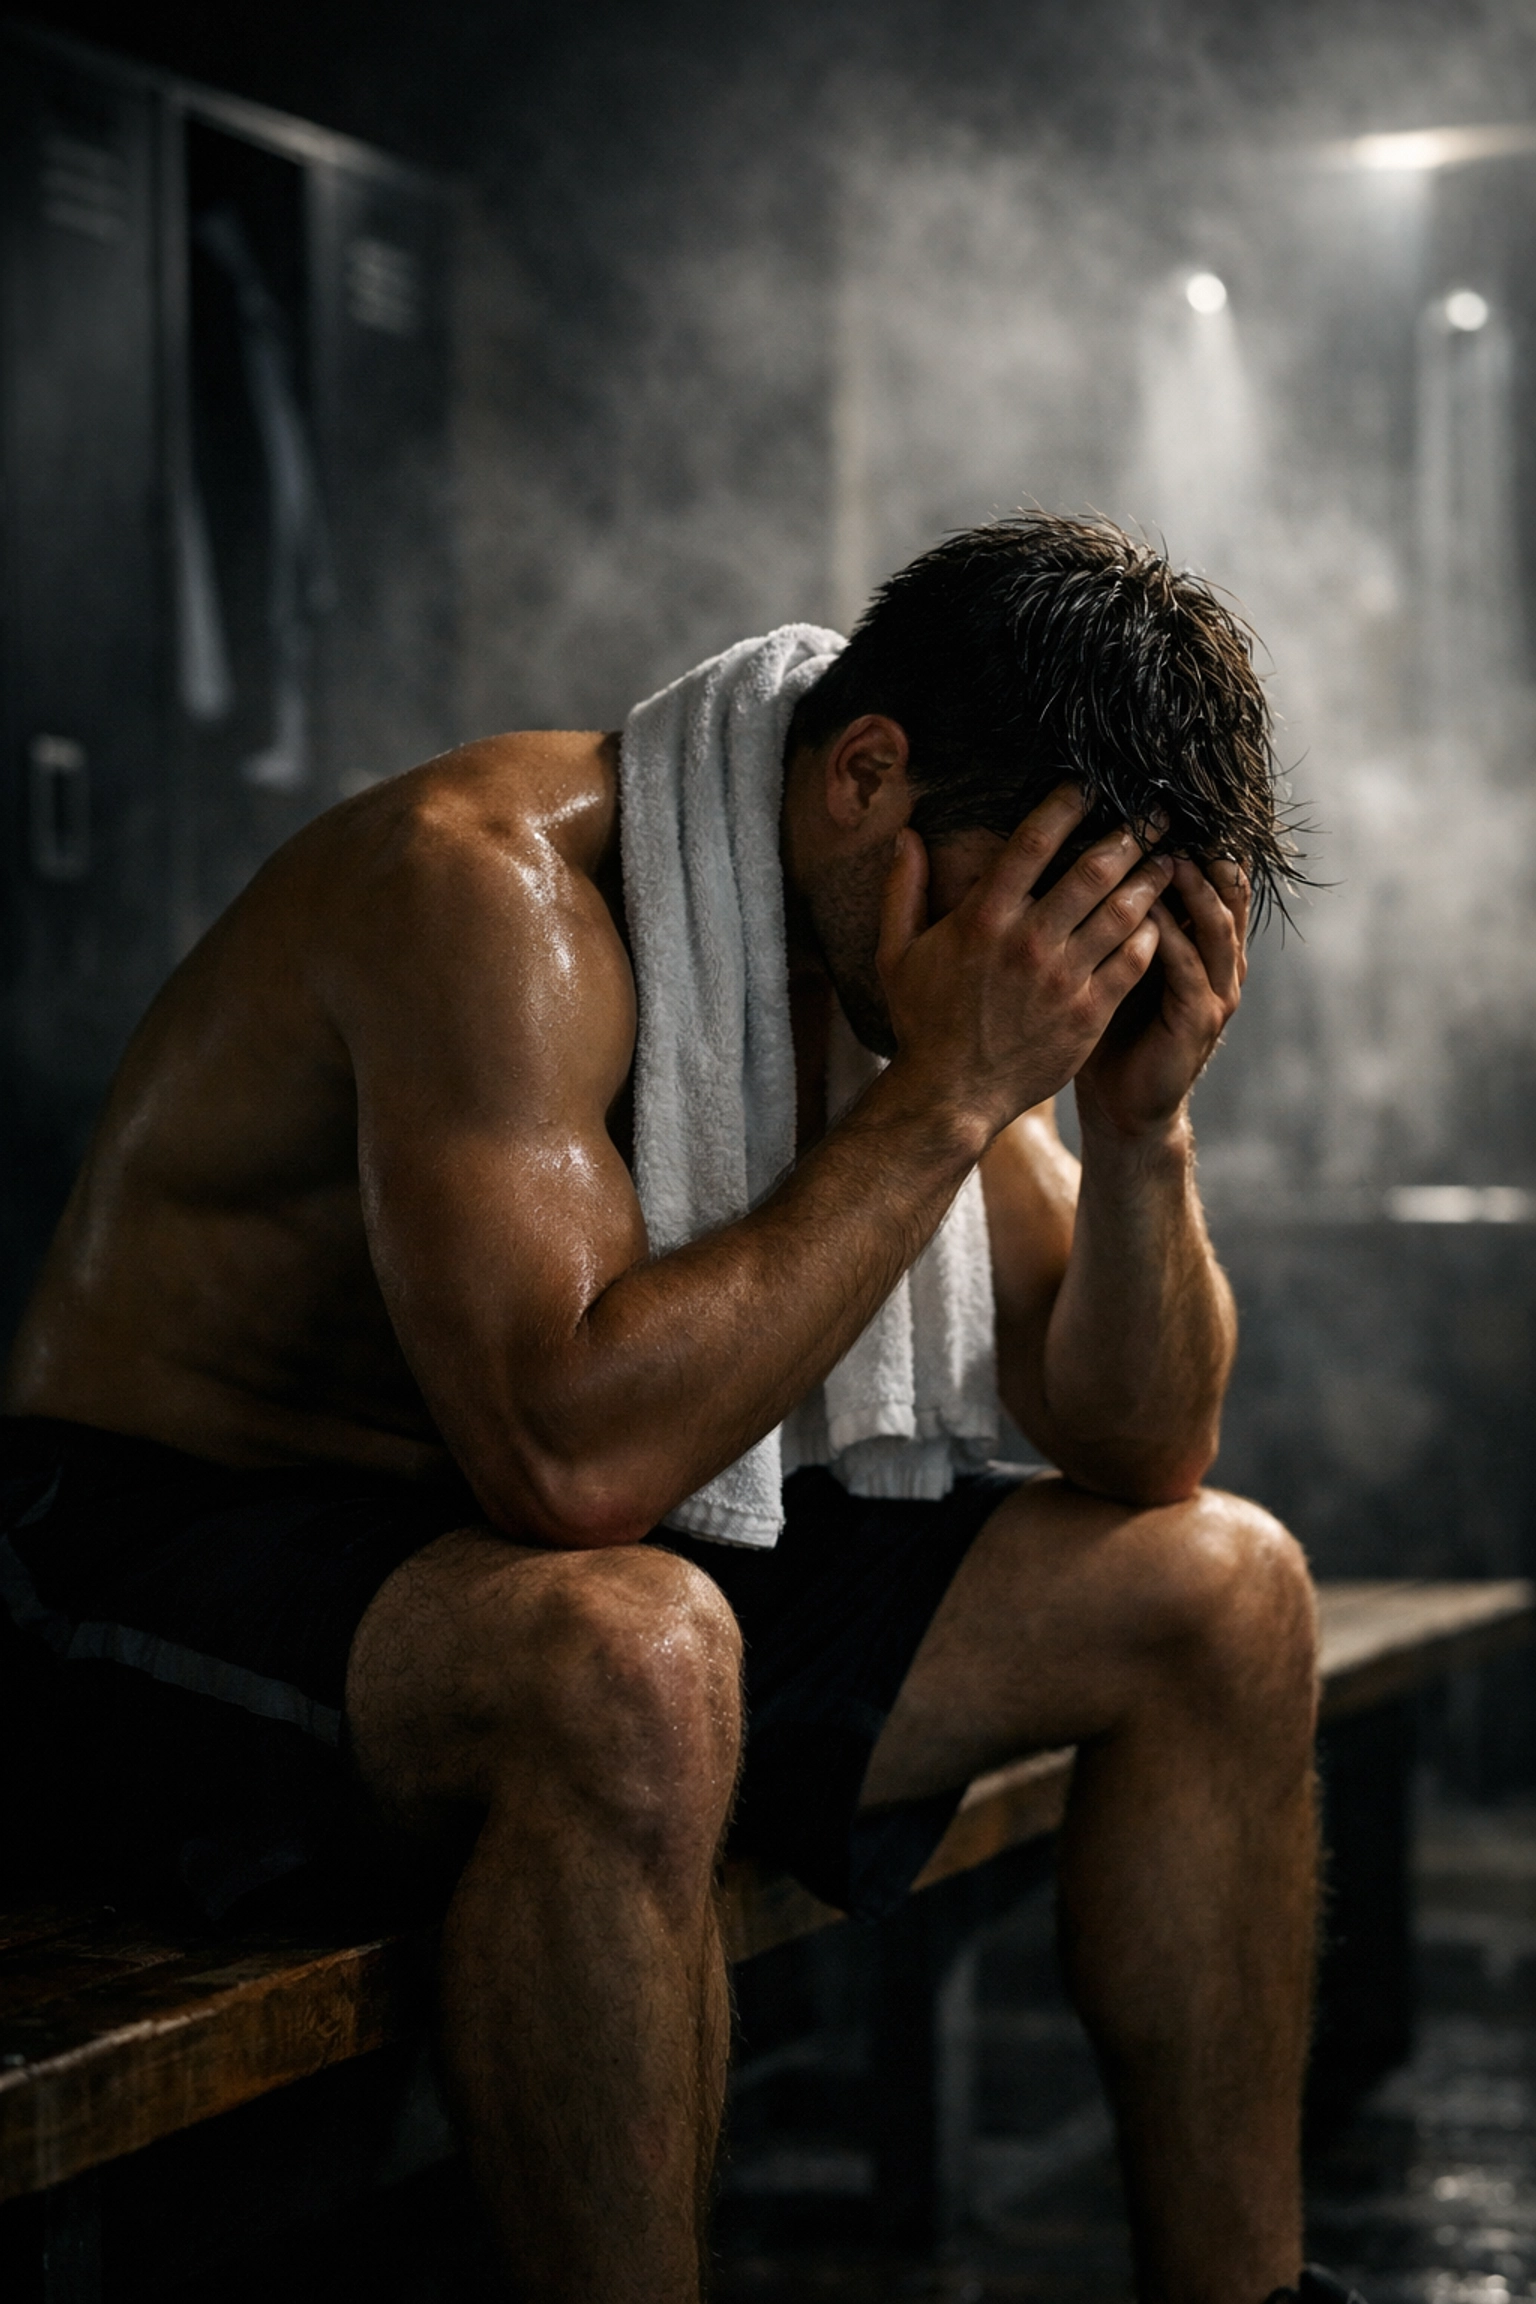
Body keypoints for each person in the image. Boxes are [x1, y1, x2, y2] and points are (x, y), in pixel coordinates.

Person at [2, 514, 1352, 2304]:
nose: (1054, 972)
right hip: (150, 1559)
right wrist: (951, 1092)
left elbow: (1142, 1444)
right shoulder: (485, 892)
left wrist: (1136, 1127)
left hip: (561, 1562)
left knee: (1224, 1591)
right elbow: (569, 1459)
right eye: (1039, 913)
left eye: (1099, 933)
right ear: (865, 774)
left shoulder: (901, 952)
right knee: (634, 1655)